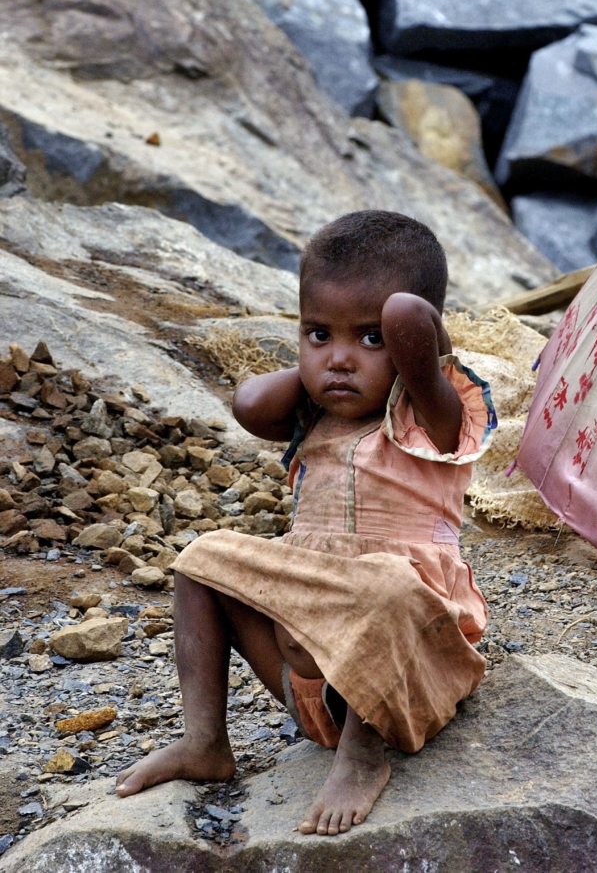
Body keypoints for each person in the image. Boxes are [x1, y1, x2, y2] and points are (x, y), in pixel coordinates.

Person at [115, 210, 497, 836]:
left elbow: (406, 313)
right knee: (202, 559)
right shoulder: (315, 415)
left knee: (387, 583)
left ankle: (364, 757)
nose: (340, 360)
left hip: (406, 678)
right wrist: (324, 369)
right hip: (308, 690)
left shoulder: (432, 410)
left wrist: (404, 336)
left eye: (369, 339)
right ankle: (205, 742)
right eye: (319, 334)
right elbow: (247, 404)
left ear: (417, 345)